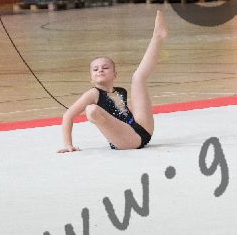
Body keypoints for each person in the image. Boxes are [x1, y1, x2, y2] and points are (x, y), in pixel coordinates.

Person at [59, 10, 168, 152]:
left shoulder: (120, 91)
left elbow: (127, 112)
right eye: (95, 69)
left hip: (142, 129)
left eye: (105, 67)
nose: (100, 70)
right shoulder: (93, 94)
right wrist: (68, 144)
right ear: (91, 78)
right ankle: (97, 118)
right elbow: (68, 116)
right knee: (91, 110)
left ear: (115, 74)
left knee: (138, 78)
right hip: (125, 140)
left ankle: (157, 37)